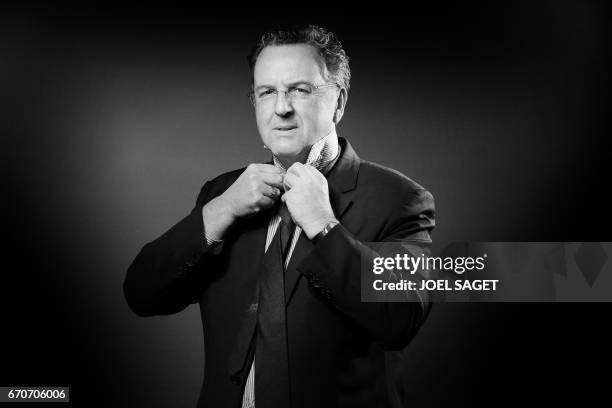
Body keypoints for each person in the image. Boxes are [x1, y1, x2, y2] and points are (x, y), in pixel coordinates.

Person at [124, 24, 435, 408]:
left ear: (338, 102)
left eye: (300, 90)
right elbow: (142, 294)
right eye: (267, 92)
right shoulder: (222, 194)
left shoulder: (399, 199)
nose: (281, 108)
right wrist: (219, 211)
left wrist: (324, 225)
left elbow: (400, 320)